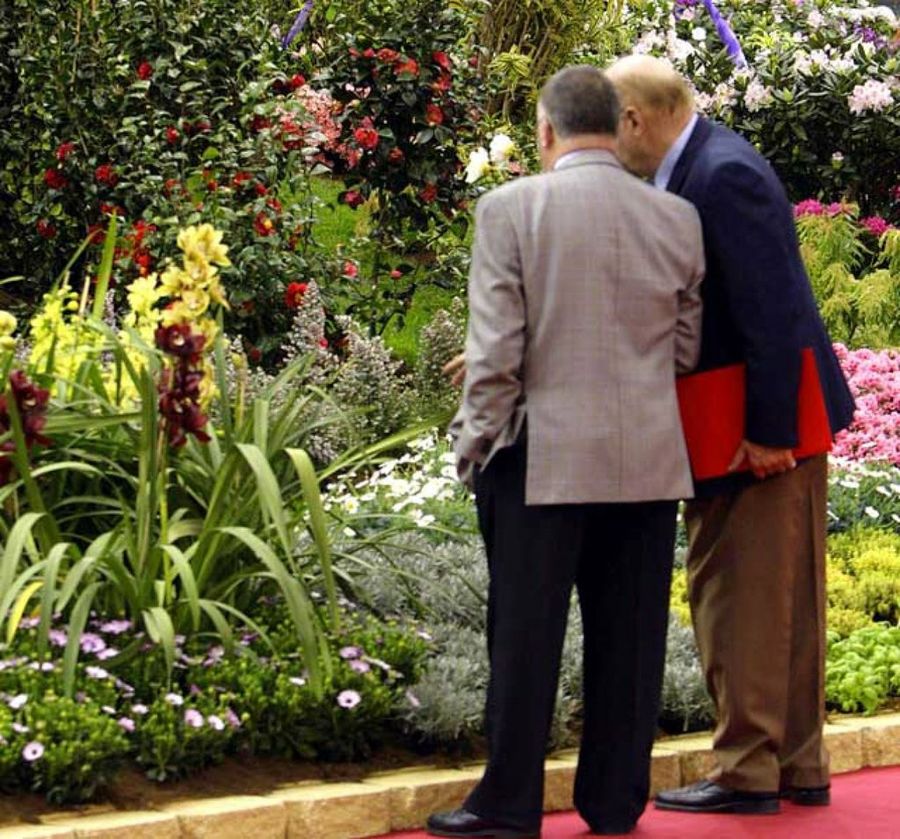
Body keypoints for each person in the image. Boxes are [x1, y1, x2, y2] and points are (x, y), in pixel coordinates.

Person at [426, 65, 705, 838]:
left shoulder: (510, 208)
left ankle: (509, 803)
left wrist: (470, 446)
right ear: (618, 128)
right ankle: (615, 801)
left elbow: (496, 355)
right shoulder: (677, 218)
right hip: (646, 459)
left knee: (524, 632)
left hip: (538, 453)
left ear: (546, 131)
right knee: (632, 635)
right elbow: (683, 349)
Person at [605, 55, 856, 815]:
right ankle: (796, 764)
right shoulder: (713, 163)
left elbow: (772, 308)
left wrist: (770, 430)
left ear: (635, 120)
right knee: (784, 601)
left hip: (756, 428)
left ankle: (748, 768)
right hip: (761, 418)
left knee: (736, 594)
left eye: (613, 134)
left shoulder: (720, 176)